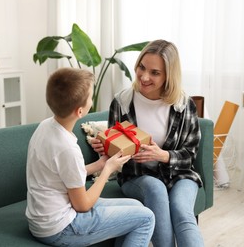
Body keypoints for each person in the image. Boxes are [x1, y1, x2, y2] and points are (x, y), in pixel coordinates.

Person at [91, 40, 204, 247]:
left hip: (180, 175)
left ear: (169, 75)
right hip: (137, 176)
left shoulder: (183, 104)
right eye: (142, 67)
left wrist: (163, 155)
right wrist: (108, 148)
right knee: (155, 188)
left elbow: (190, 155)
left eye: (155, 72)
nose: (144, 77)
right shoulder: (122, 102)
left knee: (181, 210)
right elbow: (116, 151)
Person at [26, 67, 155, 247]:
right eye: (90, 97)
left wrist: (100, 164)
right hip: (61, 228)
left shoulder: (45, 126)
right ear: (80, 112)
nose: (91, 99)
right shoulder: (67, 148)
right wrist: (108, 169)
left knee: (137, 206)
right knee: (147, 218)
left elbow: (62, 174)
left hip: (44, 219)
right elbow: (83, 205)